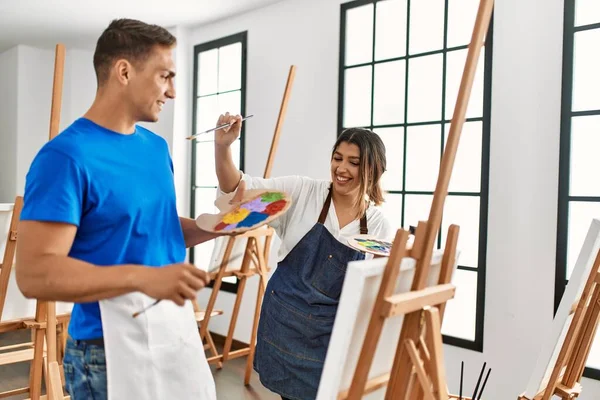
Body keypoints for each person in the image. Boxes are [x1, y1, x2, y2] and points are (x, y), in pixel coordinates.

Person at [15, 19, 228, 400]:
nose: (173, 91)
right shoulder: (65, 158)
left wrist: (213, 226)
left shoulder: (154, 148)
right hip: (105, 350)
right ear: (124, 71)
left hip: (172, 329)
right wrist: (141, 277)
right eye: (165, 76)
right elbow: (35, 273)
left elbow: (152, 229)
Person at [214, 113, 394, 400]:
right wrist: (223, 147)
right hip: (285, 326)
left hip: (330, 337)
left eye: (354, 162)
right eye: (338, 158)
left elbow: (374, 294)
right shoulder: (303, 192)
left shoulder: (378, 225)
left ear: (375, 170)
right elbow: (238, 188)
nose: (341, 168)